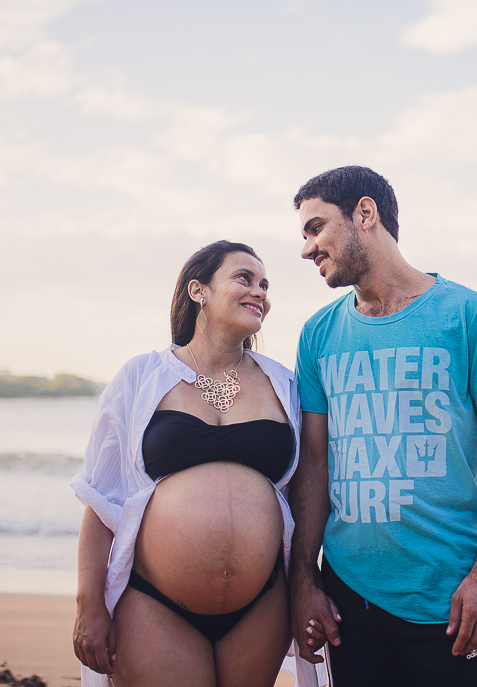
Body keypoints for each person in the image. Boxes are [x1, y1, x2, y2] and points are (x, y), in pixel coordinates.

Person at [288, 166, 477, 687]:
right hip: (349, 600)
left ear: (365, 214)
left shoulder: (468, 315)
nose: (307, 249)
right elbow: (314, 462)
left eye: (315, 228)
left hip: (449, 600)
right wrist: (303, 580)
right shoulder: (318, 334)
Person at [71, 240, 320, 687]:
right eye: (244, 278)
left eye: (265, 284)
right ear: (198, 290)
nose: (260, 291)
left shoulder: (284, 383)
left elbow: (306, 494)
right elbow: (101, 500)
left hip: (261, 605)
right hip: (154, 601)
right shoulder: (141, 377)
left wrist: (308, 586)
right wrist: (89, 605)